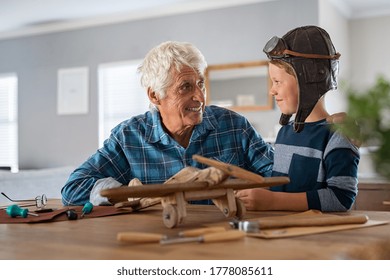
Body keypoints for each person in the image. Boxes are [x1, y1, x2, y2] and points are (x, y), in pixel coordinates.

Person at [61, 41, 274, 206]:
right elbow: (74, 189)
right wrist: (128, 195)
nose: (200, 97)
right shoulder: (128, 137)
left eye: (201, 83)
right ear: (155, 95)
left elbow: (278, 175)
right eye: (185, 87)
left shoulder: (234, 126)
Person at [236, 25, 360, 212]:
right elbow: (285, 188)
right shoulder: (286, 132)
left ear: (307, 80)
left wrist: (272, 201)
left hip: (316, 239)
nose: (272, 90)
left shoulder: (337, 135)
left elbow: (341, 198)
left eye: (277, 81)